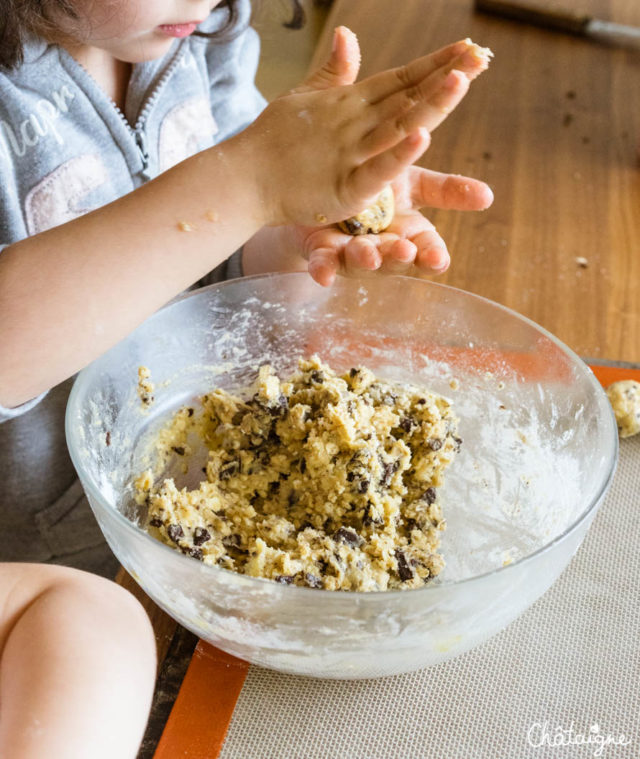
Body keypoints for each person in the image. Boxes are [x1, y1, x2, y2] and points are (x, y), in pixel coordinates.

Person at [0, 0, 493, 755]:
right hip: (38, 578)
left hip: (185, 549)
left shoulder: (197, 35)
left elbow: (238, 296)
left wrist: (294, 236)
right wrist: (246, 180)